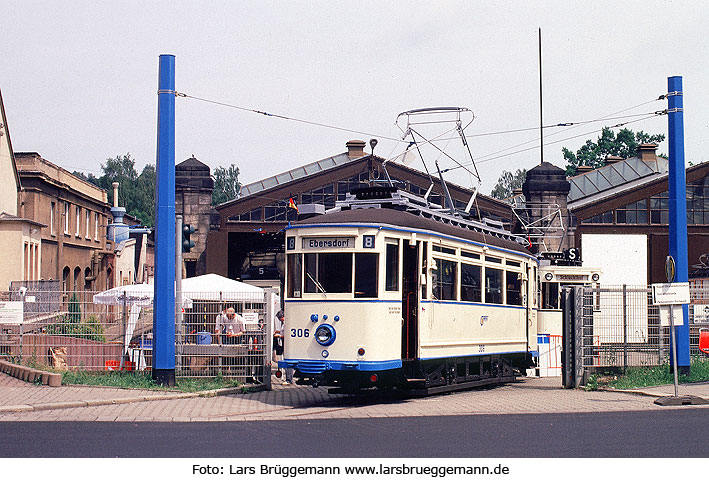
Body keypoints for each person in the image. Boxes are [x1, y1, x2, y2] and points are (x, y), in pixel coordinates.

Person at [273, 309, 294, 384]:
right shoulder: (284, 324)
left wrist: (279, 335)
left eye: (280, 318)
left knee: (287, 361)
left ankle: (289, 379)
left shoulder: (286, 324)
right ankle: (289, 378)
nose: (279, 320)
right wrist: (278, 332)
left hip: (286, 343)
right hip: (284, 343)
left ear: (283, 317)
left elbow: (287, 335)